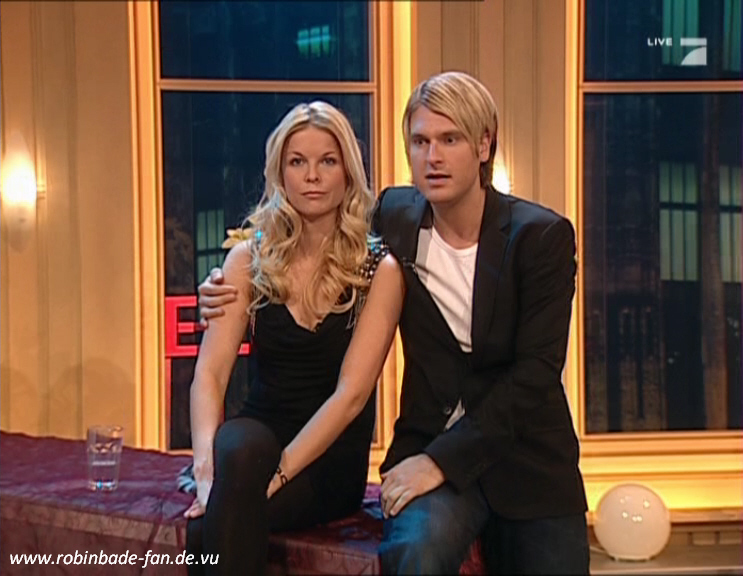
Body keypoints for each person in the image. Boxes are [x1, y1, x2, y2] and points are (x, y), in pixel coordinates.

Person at [198, 72, 589, 575]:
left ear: (484, 145)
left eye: (450, 140)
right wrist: (217, 283)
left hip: (526, 459)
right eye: (421, 142)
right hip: (428, 448)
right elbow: (312, 237)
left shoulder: (540, 238)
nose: (433, 156)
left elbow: (534, 376)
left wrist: (441, 461)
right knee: (415, 554)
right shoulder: (394, 216)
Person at [185, 100, 404, 576]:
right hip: (256, 444)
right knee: (237, 442)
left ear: (348, 172)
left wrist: (279, 476)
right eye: (298, 162)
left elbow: (351, 396)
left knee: (205, 535)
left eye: (327, 161)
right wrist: (204, 471)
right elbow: (210, 374)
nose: (312, 176)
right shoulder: (249, 258)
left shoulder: (378, 269)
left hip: (327, 456)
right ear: (280, 173)